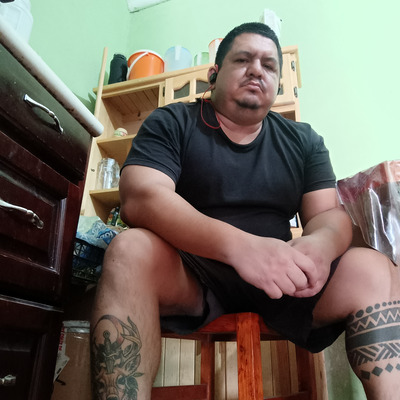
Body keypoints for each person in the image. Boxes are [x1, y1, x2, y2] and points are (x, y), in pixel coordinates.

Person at [91, 22, 400, 400]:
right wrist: (242, 249)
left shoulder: (305, 140)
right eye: (243, 59)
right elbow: (141, 197)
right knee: (128, 249)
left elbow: (327, 216)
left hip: (282, 277)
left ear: (277, 83)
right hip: (193, 271)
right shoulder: (172, 121)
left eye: (269, 65)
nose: (257, 70)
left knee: (374, 268)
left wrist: (320, 247)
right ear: (214, 74)